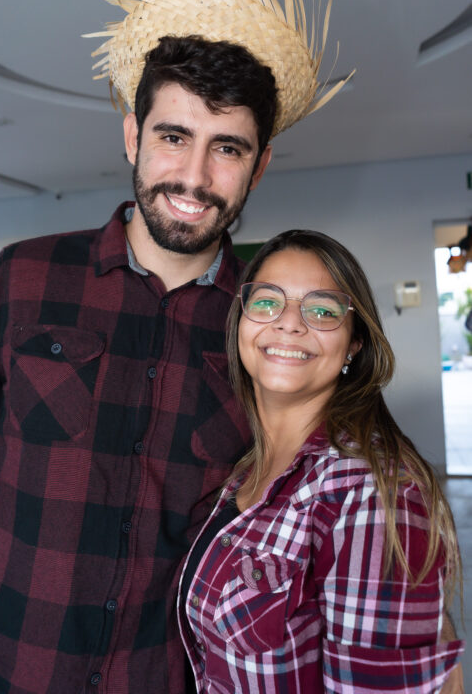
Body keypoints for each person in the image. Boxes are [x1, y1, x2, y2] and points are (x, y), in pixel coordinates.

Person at [0, 0, 355, 694]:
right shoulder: (21, 280)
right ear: (132, 135)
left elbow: (319, 501)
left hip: (166, 678)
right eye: (173, 137)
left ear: (258, 166)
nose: (193, 177)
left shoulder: (265, 329)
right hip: (1, 665)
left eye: (225, 148)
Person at [178, 229, 465, 693]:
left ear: (354, 345)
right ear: (240, 323)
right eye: (268, 301)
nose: (289, 323)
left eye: (322, 310)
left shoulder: (371, 493)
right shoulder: (243, 467)